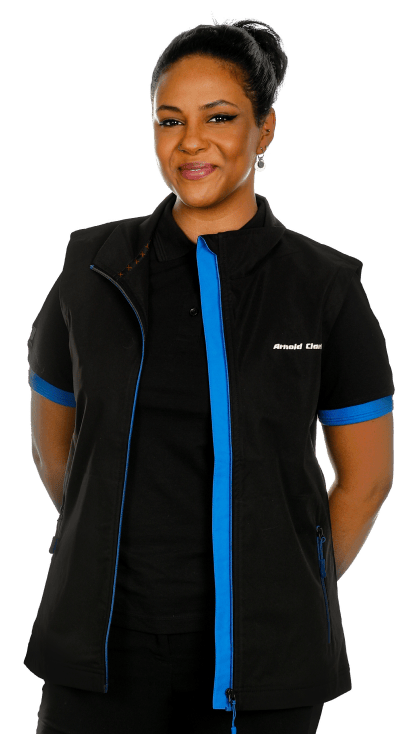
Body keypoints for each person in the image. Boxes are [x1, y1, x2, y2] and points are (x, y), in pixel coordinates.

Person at [23, 12, 395, 734]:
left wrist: (284, 585)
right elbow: (57, 450)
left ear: (266, 130)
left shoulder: (323, 288)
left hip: (264, 666)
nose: (190, 141)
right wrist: (101, 548)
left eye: (219, 117)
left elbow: (367, 480)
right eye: (170, 121)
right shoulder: (91, 269)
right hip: (99, 652)